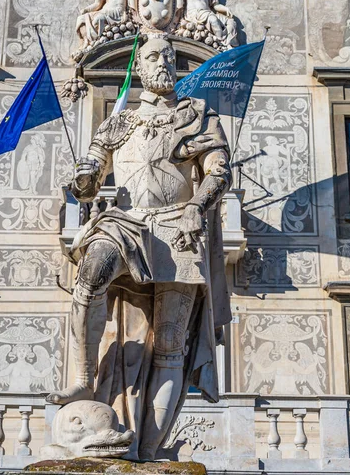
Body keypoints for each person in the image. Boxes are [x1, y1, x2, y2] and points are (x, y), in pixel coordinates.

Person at [47, 38, 232, 460]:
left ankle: (147, 451)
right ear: (140, 66)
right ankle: (83, 376)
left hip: (176, 228)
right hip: (126, 223)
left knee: (169, 342)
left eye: (169, 56)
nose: (164, 62)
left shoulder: (198, 116)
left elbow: (218, 173)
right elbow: (87, 187)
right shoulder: (120, 121)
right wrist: (86, 171)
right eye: (153, 56)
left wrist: (195, 210)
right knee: (91, 274)